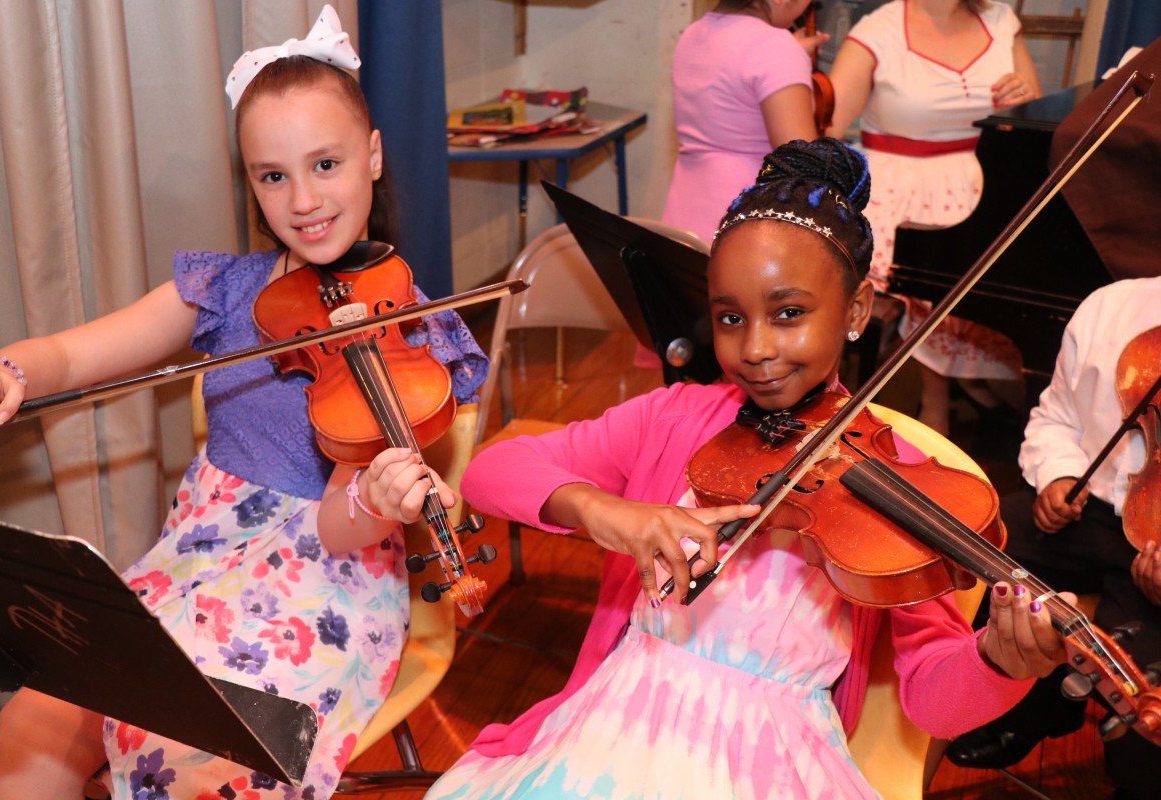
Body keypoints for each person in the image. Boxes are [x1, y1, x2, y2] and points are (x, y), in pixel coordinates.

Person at [424, 138, 1068, 799]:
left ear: (854, 311)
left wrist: (1000, 661)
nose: (755, 348)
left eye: (789, 314)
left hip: (773, 763)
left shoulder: (905, 487)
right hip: (612, 728)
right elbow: (492, 470)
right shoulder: (675, 418)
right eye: (731, 317)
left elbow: (933, 698)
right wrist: (608, 512)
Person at [0, 7, 486, 799]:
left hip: (323, 578)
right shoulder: (225, 290)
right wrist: (2, 369)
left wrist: (379, 499)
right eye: (273, 176)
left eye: (326, 164)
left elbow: (353, 521)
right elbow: (72, 352)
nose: (303, 199)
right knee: (29, 731)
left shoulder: (414, 330)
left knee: (193, 764)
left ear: (373, 157)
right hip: (198, 560)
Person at [945, 277, 1161, 800]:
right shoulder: (1110, 305)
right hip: (1091, 512)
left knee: (1142, 739)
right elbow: (1057, 417)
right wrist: (1059, 476)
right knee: (973, 550)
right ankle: (1028, 709)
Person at [826, 0, 1041, 435]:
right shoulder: (879, 29)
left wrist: (1024, 100)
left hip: (981, 183)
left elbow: (1036, 116)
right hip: (896, 189)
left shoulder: (1001, 21)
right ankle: (935, 405)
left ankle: (974, 387)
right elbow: (827, 127)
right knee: (927, 278)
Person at [661, 0, 824, 245]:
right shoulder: (775, 47)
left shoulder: (694, 33)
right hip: (745, 228)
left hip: (683, 218)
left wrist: (788, 56)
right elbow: (803, 168)